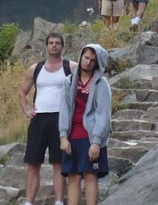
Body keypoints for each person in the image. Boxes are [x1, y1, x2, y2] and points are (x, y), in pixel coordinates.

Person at [19, 32, 78, 205]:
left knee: (58, 163)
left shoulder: (71, 67)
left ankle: (59, 201)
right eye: (51, 43)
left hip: (61, 119)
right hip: (39, 119)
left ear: (62, 46)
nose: (54, 45)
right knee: (33, 163)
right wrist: (26, 109)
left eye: (57, 43)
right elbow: (22, 91)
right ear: (46, 46)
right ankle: (29, 202)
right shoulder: (35, 68)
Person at [59, 44, 111, 205]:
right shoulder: (69, 81)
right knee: (73, 176)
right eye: (86, 57)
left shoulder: (101, 84)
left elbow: (103, 113)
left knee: (90, 175)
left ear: (97, 63)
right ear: (81, 56)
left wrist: (96, 142)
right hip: (72, 135)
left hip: (90, 136)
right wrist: (63, 136)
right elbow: (64, 109)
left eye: (92, 60)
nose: (88, 62)